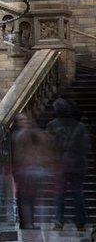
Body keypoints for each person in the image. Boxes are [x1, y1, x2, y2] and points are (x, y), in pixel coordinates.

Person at [46, 97, 90, 231]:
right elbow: (86, 146)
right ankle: (81, 223)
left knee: (59, 194)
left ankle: (59, 221)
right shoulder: (80, 126)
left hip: (60, 165)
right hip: (77, 165)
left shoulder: (52, 125)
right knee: (78, 193)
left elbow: (49, 146)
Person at [10, 113, 53, 230]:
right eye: (21, 120)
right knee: (26, 198)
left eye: (25, 119)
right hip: (27, 170)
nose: (24, 122)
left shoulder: (20, 135)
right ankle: (28, 223)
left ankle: (28, 223)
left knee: (26, 198)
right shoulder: (22, 134)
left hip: (28, 170)